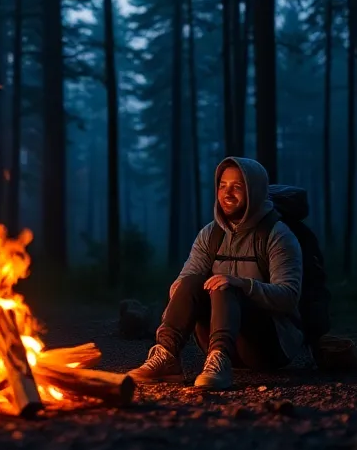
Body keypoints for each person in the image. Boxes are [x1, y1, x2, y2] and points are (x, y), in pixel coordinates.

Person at [128, 157, 303, 391]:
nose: (227, 193)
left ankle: (220, 359)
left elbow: (289, 296)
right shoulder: (210, 235)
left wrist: (241, 284)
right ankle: (167, 355)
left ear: (255, 191)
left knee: (225, 285)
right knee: (190, 282)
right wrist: (191, 290)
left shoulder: (277, 235)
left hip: (267, 347)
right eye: (222, 186)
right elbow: (180, 287)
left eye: (237, 187)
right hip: (214, 341)